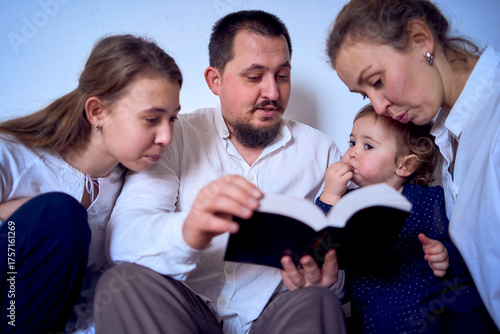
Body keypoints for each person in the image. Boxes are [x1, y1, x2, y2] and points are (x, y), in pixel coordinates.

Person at [95, 10, 346, 334]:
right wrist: (190, 228)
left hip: (276, 317)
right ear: (215, 80)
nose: (272, 92)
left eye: (282, 76)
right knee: (123, 283)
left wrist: (328, 280)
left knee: (320, 301)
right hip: (186, 316)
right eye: (254, 77)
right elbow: (123, 238)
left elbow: (341, 263)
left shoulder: (321, 150)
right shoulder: (174, 137)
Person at [326, 0, 500, 329]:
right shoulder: (449, 137)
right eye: (364, 96)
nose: (379, 107)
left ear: (420, 40)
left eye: (376, 81)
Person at [0, 34, 182, 333]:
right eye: (151, 119)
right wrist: (20, 220)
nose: (166, 137)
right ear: (98, 112)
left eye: (172, 119)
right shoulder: (11, 157)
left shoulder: (138, 185)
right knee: (60, 215)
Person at [316, 104, 495, 333]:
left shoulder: (424, 200)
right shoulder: (344, 204)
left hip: (427, 294)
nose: (352, 152)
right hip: (378, 307)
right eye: (352, 142)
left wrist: (443, 254)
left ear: (405, 165)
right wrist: (330, 194)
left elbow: (456, 247)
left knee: (469, 313)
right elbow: (317, 242)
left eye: (367, 146)